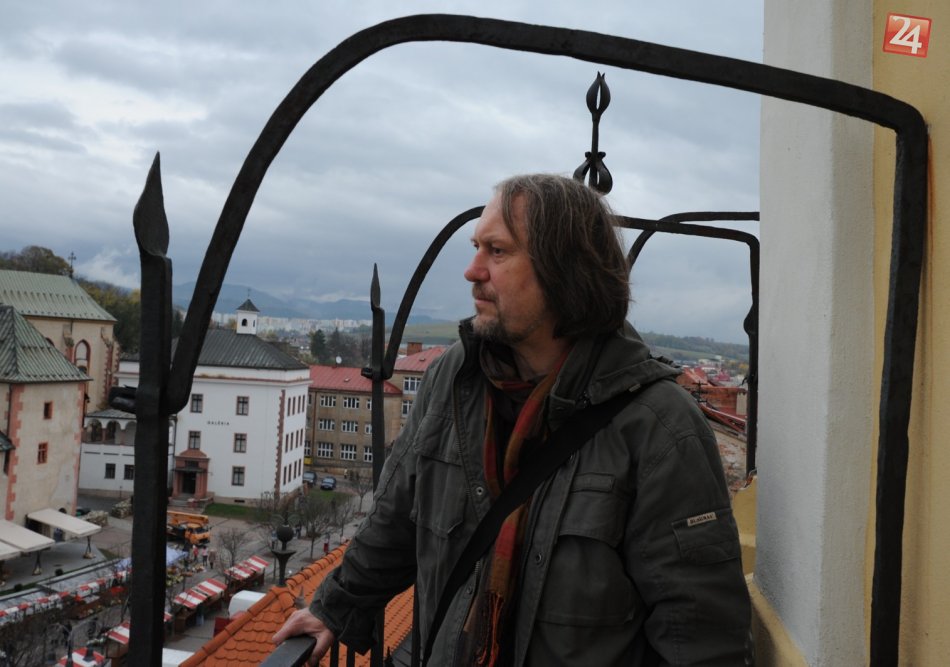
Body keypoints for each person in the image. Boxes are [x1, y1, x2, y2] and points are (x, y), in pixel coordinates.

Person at [274, 174, 751, 665]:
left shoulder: (658, 428)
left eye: (497, 251)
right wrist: (334, 608)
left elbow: (699, 635)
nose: (472, 271)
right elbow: (396, 518)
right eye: (476, 247)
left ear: (565, 270)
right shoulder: (454, 378)